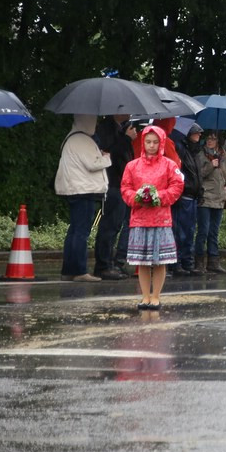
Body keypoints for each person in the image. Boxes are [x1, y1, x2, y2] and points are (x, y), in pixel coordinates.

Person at [120, 125, 184, 310]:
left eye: (155, 142)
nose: (151, 145)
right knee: (141, 261)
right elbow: (125, 188)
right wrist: (137, 198)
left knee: (158, 260)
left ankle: (156, 296)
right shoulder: (132, 166)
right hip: (139, 218)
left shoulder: (169, 165)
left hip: (160, 218)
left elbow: (177, 186)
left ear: (161, 143)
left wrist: (159, 197)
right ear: (142, 142)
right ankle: (145, 296)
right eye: (148, 142)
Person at [55, 114, 112, 282]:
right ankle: (80, 271)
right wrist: (106, 157)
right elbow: (93, 164)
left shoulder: (71, 137)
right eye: (92, 120)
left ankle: (68, 270)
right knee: (81, 232)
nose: (94, 123)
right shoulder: (83, 139)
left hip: (73, 189)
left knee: (74, 231)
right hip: (84, 190)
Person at [93, 114, 136, 280]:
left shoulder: (120, 128)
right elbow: (110, 152)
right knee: (109, 226)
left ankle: (110, 264)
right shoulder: (106, 129)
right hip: (112, 183)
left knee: (116, 225)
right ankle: (103, 265)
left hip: (121, 183)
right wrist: (126, 138)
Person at [169, 123, 204, 276]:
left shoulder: (194, 152)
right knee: (180, 231)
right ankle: (176, 263)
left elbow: (197, 174)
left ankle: (186, 262)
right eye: (197, 132)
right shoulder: (182, 149)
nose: (200, 135)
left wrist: (200, 192)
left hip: (193, 196)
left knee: (189, 231)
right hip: (184, 196)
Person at [195, 130, 226, 273]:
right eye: (208, 138)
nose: (210, 141)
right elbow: (199, 173)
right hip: (206, 196)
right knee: (203, 230)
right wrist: (211, 165)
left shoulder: (224, 155)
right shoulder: (201, 154)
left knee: (214, 231)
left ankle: (213, 261)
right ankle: (198, 262)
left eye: (213, 139)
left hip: (220, 196)